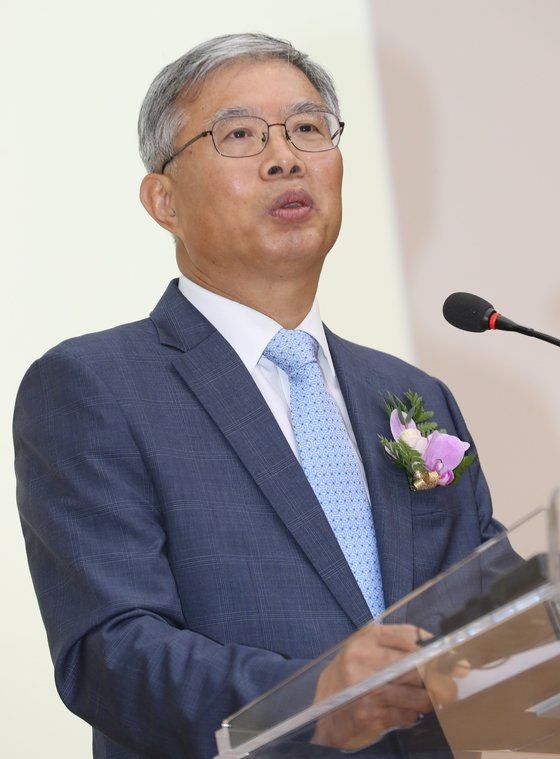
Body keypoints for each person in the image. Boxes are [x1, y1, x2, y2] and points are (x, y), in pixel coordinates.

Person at [14, 33, 502, 759]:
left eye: (307, 128)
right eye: (240, 134)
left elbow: (491, 612)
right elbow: (111, 654)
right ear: (163, 200)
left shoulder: (409, 393)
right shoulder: (95, 386)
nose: (286, 157)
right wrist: (316, 699)